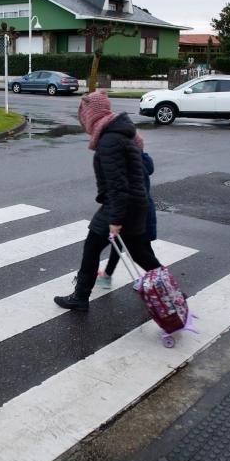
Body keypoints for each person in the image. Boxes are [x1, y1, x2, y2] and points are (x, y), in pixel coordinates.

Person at [54, 91, 162, 311]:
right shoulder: (119, 133)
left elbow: (118, 186)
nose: (82, 118)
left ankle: (80, 297)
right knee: (140, 252)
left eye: (82, 113)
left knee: (93, 246)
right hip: (133, 204)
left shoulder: (109, 140)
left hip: (121, 206)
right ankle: (172, 292)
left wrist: (115, 220)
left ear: (90, 114)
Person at [96, 149, 155, 289]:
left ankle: (158, 281)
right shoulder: (142, 159)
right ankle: (107, 276)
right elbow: (150, 168)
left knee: (139, 248)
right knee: (132, 244)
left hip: (131, 210)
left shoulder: (128, 161)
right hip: (141, 209)